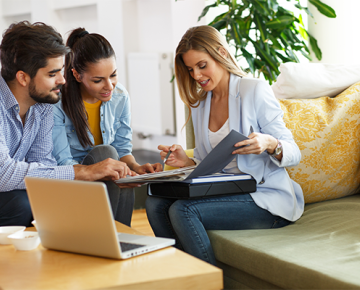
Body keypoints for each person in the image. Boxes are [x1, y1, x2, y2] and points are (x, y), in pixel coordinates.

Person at [146, 25, 304, 265]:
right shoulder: (200, 104)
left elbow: (294, 151)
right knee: (155, 203)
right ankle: (181, 275)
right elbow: (206, 161)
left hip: (263, 197)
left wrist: (269, 143)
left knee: (183, 210)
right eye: (190, 69)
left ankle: (208, 281)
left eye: (202, 65)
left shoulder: (253, 90)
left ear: (221, 53)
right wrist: (187, 161)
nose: (197, 75)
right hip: (224, 191)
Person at [0, 21, 134, 227]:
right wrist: (84, 172)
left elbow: (45, 164)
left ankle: (110, 241)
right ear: (23, 78)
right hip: (9, 195)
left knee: (42, 199)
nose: (63, 80)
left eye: (61, 71)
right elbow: (3, 174)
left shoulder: (43, 105)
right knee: (22, 203)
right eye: (52, 74)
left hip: (14, 193)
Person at [51, 28, 162, 226]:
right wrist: (101, 167)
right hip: (73, 181)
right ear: (76, 75)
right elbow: (63, 164)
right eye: (98, 80)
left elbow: (122, 149)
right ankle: (108, 236)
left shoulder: (120, 96)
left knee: (119, 166)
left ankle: (120, 237)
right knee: (107, 154)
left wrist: (136, 168)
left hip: (107, 181)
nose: (109, 86)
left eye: (113, 75)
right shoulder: (58, 103)